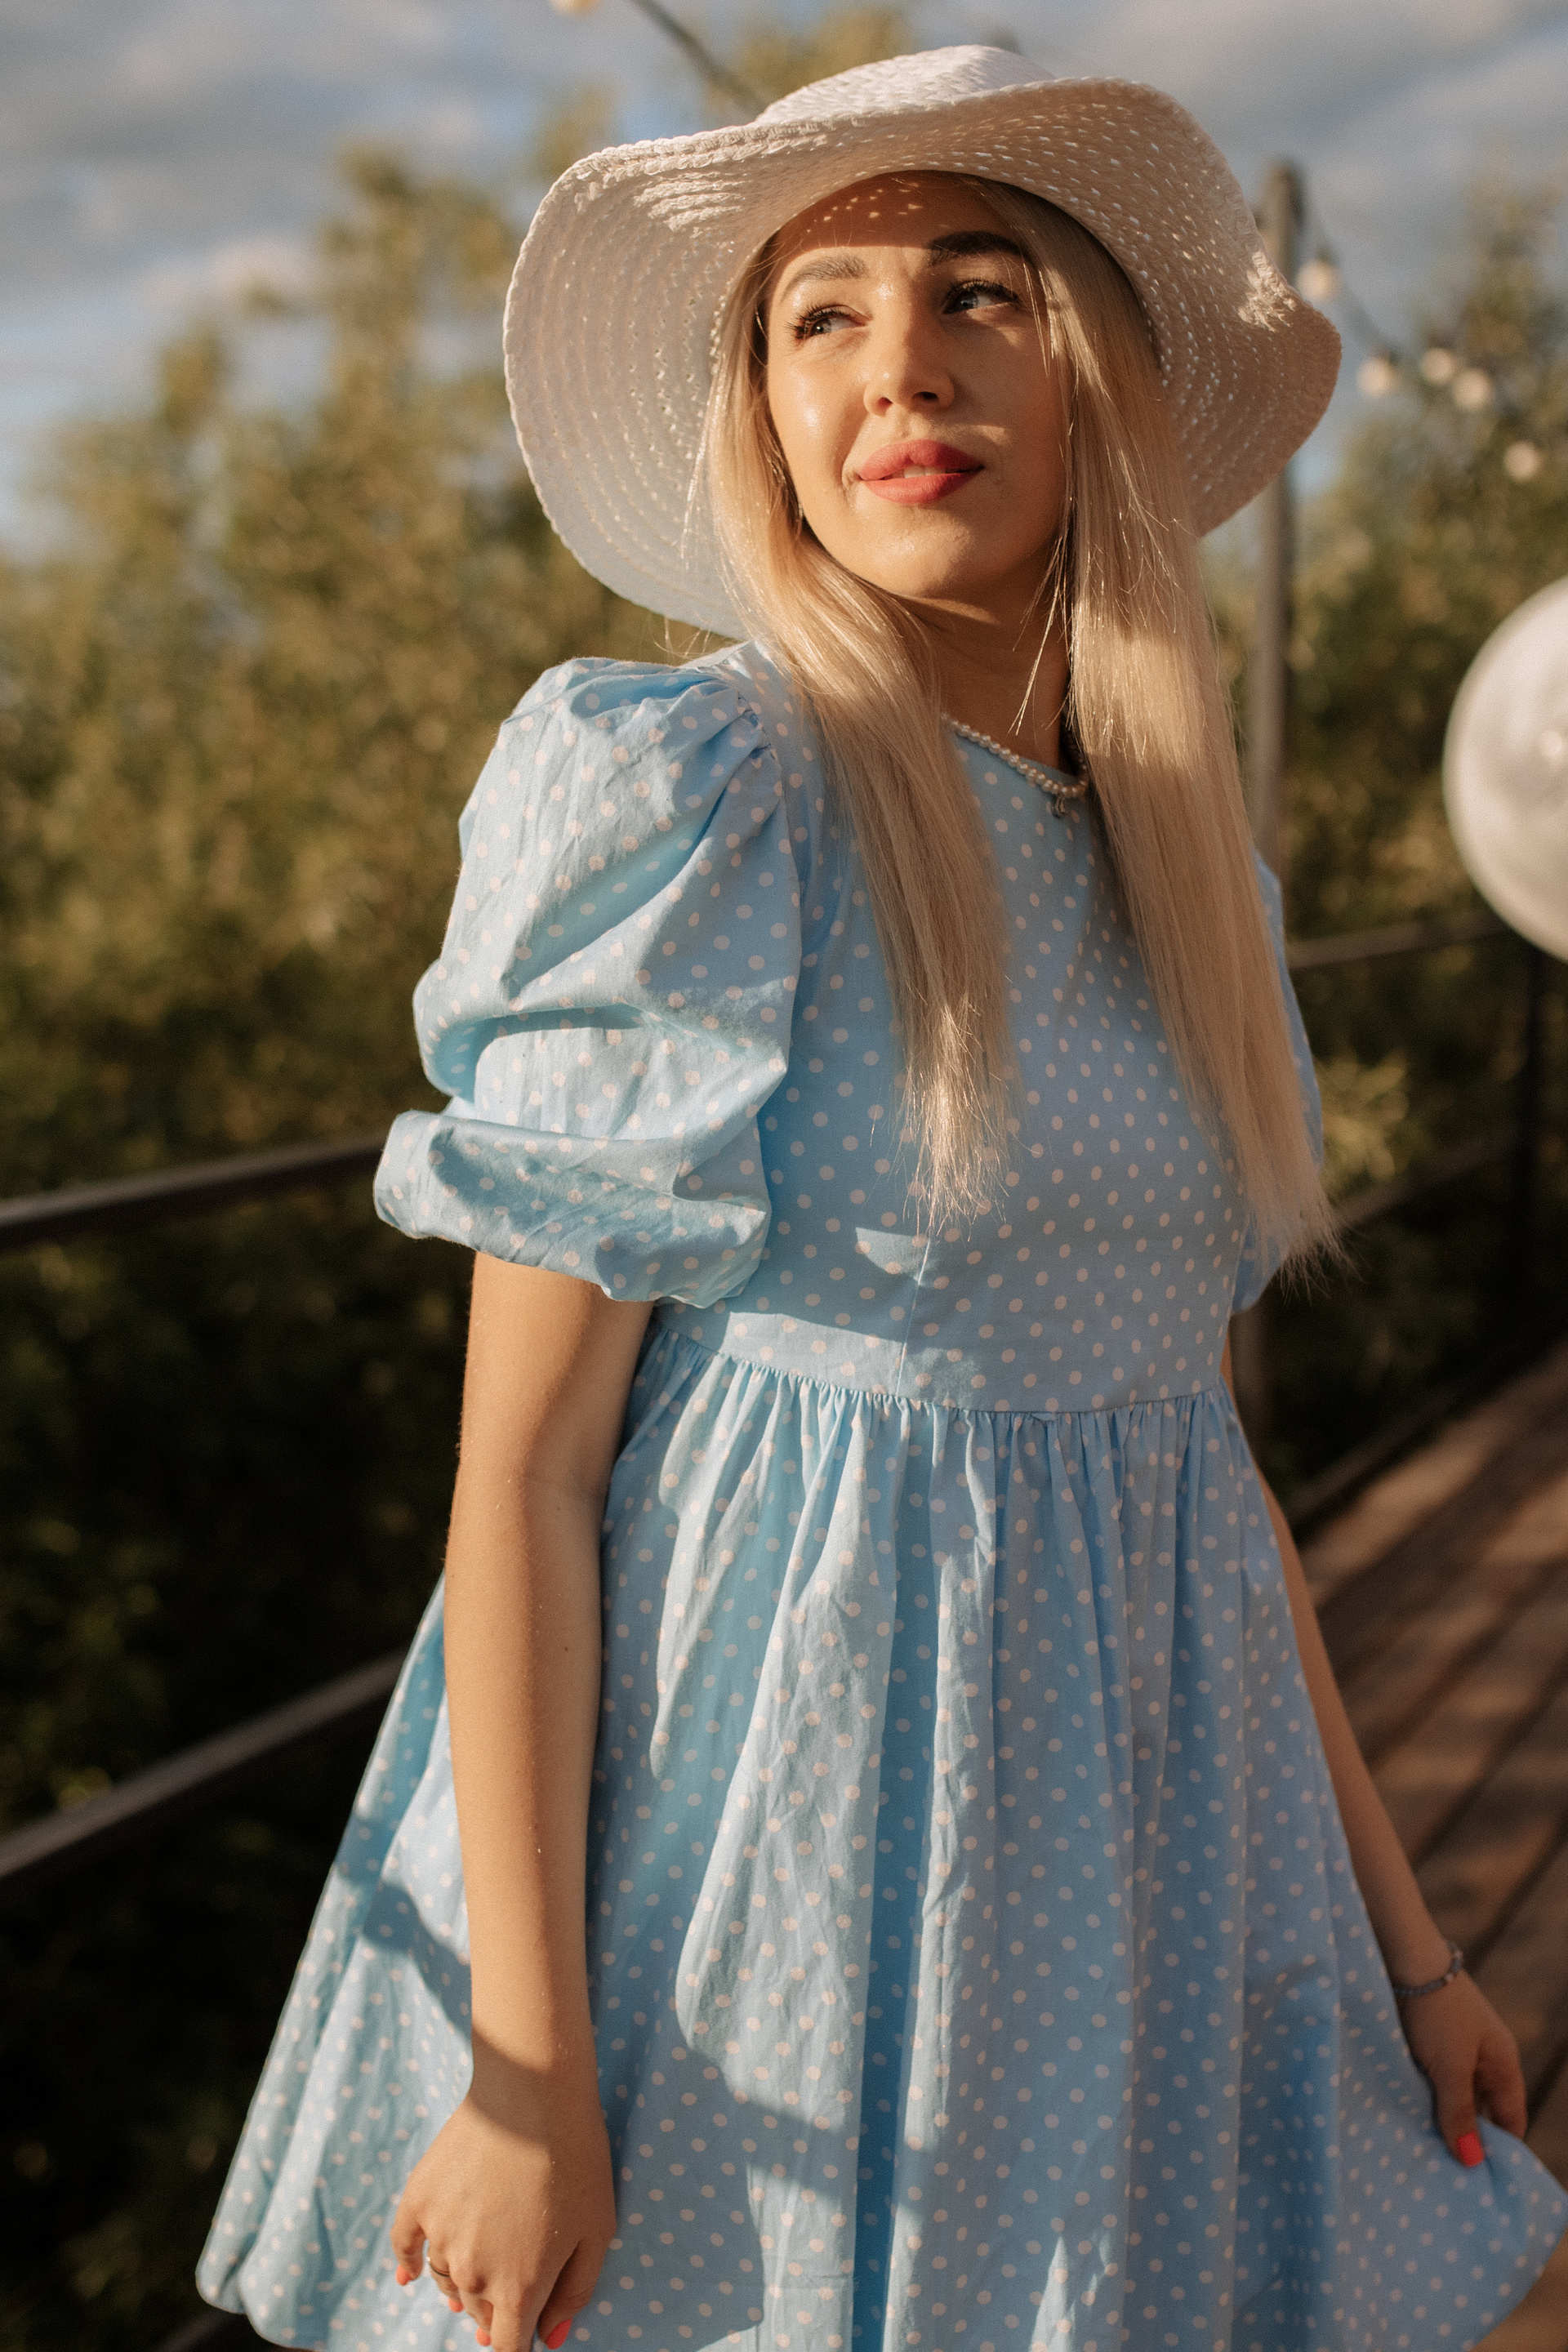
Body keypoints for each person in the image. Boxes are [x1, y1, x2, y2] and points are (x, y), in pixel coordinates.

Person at [198, 47, 1567, 2352]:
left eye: (978, 294)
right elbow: (527, 1475)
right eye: (818, 316)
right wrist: (525, 2071)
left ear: (1098, 378)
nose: (901, 368)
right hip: (787, 1845)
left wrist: (1412, 1949)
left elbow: (1193, 1457)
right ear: (762, 410)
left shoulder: (1187, 877)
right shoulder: (703, 797)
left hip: (1153, 1852)